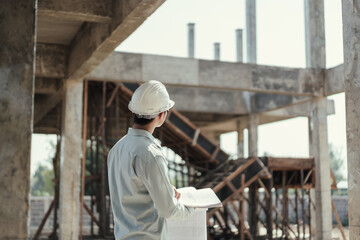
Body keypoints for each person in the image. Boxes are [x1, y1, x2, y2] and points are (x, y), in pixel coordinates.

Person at [107, 80, 194, 240]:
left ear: (134, 112)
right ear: (162, 115)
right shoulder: (151, 153)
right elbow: (168, 210)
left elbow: (133, 192)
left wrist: (165, 190)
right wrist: (191, 207)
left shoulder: (116, 149)